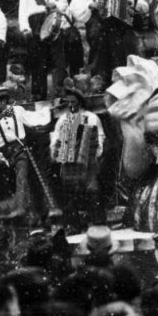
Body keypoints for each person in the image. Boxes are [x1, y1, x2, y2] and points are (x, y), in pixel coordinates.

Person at [0, 86, 59, 220]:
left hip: (21, 150)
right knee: (22, 183)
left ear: (3, 101)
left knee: (22, 177)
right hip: (5, 156)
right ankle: (34, 215)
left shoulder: (17, 110)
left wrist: (47, 110)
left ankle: (22, 208)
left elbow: (32, 118)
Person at [50, 87, 105, 218]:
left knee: (93, 190)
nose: (70, 105)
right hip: (69, 165)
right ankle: (73, 225)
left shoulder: (91, 117)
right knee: (69, 193)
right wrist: (57, 149)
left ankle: (97, 223)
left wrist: (95, 151)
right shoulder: (63, 119)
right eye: (68, 102)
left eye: (73, 102)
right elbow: (55, 139)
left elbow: (100, 136)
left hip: (88, 163)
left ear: (80, 102)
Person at [18, 0, 68, 100]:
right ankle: (39, 94)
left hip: (52, 22)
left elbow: (64, 4)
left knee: (58, 60)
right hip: (35, 24)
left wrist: (55, 5)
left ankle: (61, 91)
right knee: (38, 61)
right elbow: (22, 11)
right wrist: (25, 28)